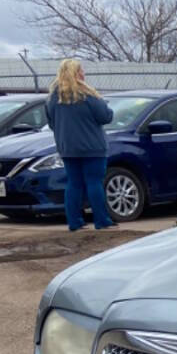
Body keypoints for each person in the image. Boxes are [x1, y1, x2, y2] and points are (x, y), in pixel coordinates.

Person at [44, 58, 114, 232]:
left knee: (74, 184)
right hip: (92, 147)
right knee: (94, 182)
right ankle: (102, 221)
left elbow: (52, 123)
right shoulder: (87, 95)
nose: (84, 73)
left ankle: (74, 222)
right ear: (75, 73)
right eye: (81, 70)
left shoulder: (53, 98)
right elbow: (106, 116)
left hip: (67, 148)